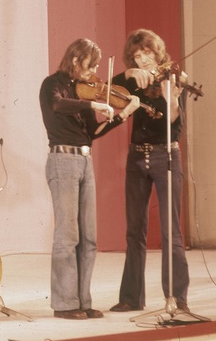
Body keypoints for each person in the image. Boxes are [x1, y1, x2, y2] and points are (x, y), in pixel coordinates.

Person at [39, 38, 140, 320]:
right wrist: (92, 104)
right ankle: (64, 304)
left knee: (89, 238)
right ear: (76, 59)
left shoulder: (84, 90)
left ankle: (82, 301)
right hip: (63, 160)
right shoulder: (52, 84)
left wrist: (122, 115)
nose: (95, 70)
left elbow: (92, 134)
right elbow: (57, 105)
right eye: (91, 64)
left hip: (84, 160)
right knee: (67, 235)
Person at [108, 29, 190, 313]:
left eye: (146, 53)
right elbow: (107, 89)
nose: (142, 59)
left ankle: (177, 298)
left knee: (171, 231)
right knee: (134, 231)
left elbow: (175, 124)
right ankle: (131, 298)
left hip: (166, 154)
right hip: (136, 157)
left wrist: (173, 99)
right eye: (136, 56)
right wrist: (130, 73)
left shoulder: (175, 78)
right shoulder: (133, 79)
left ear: (157, 52)